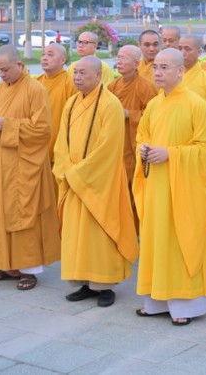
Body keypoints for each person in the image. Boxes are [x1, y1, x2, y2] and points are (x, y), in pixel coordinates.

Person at [133, 48, 206, 326]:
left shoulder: (196, 104)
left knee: (182, 241)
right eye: (155, 67)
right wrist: (143, 149)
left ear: (180, 71)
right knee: (157, 240)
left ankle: (186, 305)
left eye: (164, 68)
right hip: (157, 186)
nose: (157, 72)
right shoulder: (154, 104)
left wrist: (171, 154)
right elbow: (142, 136)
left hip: (183, 189)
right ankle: (156, 300)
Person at [53, 57, 139, 307]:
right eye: (75, 73)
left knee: (100, 233)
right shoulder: (71, 103)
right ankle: (83, 282)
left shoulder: (110, 104)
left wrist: (79, 173)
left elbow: (108, 148)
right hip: (73, 179)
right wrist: (66, 169)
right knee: (77, 235)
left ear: (98, 76)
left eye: (83, 73)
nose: (77, 77)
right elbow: (61, 142)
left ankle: (105, 286)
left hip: (101, 180)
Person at [0, 46, 61, 290]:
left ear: (19, 65)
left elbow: (42, 129)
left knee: (24, 213)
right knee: (1, 214)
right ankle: (7, 265)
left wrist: (7, 124)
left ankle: (29, 269)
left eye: (5, 69)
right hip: (1, 163)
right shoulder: (2, 88)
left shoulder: (35, 89)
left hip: (24, 165)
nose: (2, 74)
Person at [107, 45, 159, 187]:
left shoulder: (147, 87)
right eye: (118, 57)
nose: (119, 61)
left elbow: (154, 116)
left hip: (135, 143)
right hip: (117, 140)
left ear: (136, 63)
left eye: (124, 58)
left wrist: (130, 114)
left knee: (134, 182)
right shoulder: (113, 86)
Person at [36, 43, 76, 166]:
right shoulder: (36, 82)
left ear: (63, 60)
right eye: (43, 54)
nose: (44, 58)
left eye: (50, 55)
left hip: (60, 145)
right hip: (37, 143)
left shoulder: (71, 83)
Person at [178, 35, 206, 133]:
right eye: (180, 48)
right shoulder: (172, 78)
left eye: (187, 49)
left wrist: (201, 135)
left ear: (199, 52)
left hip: (199, 135)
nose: (182, 52)